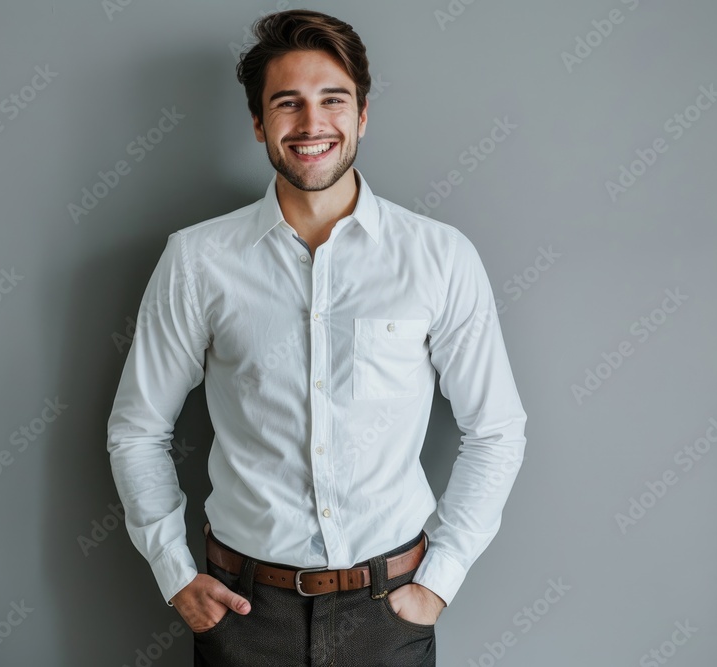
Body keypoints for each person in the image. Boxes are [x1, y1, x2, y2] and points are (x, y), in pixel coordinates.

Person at [106, 9, 527, 666]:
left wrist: (437, 583)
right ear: (257, 123)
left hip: (391, 610)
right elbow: (136, 429)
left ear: (362, 115)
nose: (311, 125)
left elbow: (496, 429)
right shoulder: (196, 261)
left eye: (333, 100)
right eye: (287, 104)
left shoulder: (439, 257)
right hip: (245, 615)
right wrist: (175, 575)